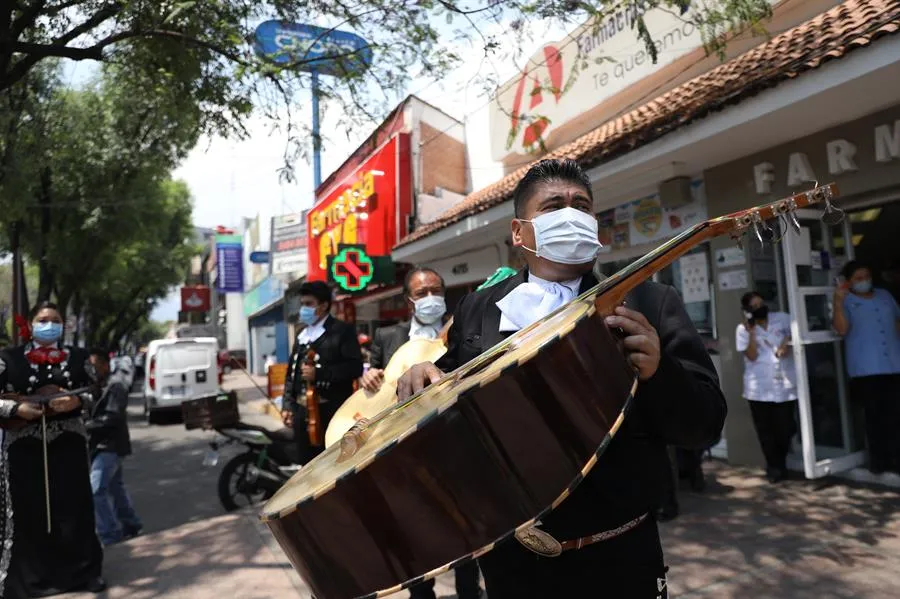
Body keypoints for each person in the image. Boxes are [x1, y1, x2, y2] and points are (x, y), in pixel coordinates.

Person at [397, 159, 726, 599]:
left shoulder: (650, 299)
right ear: (519, 232)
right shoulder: (479, 308)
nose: (570, 216)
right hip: (511, 562)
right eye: (553, 207)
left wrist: (658, 372)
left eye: (581, 206)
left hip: (618, 557)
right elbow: (453, 400)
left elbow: (704, 424)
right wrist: (423, 379)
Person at [361, 267, 482, 599]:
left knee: (464, 525)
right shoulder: (388, 337)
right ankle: (420, 592)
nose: (431, 298)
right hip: (403, 452)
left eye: (436, 289)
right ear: (408, 300)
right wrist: (367, 380)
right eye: (421, 293)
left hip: (451, 442)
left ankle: (469, 591)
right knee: (411, 528)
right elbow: (372, 385)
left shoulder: (461, 328)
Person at [0, 301, 106, 596]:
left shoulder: (79, 357)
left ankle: (86, 572)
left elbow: (96, 392)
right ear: (31, 323)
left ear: (64, 325)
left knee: (75, 508)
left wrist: (75, 402)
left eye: (55, 319)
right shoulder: (7, 358)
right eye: (43, 319)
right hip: (24, 446)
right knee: (28, 511)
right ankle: (28, 579)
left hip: (68, 443)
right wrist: (17, 408)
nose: (49, 323)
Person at [282, 281, 363, 465]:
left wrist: (321, 374)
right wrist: (287, 404)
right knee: (305, 464)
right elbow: (291, 372)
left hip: (330, 412)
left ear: (324, 305)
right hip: (302, 413)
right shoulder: (302, 334)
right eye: (302, 304)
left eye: (309, 304)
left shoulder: (342, 331)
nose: (304, 309)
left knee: (331, 462)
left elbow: (355, 367)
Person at [832, 260, 900, 474]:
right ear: (848, 282)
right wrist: (837, 303)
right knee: (874, 417)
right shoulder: (846, 300)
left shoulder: (884, 296)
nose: (864, 281)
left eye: (866, 276)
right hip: (866, 368)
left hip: (894, 363)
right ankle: (880, 462)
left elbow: (897, 321)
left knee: (895, 414)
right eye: (858, 278)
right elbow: (841, 329)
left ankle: (896, 458)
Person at [736, 291, 798, 483]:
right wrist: (752, 332)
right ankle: (775, 467)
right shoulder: (743, 330)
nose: (760, 308)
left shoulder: (783, 318)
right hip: (758, 388)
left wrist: (786, 343)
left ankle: (780, 461)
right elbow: (752, 356)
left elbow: (796, 331)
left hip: (784, 384)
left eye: (761, 303)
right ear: (747, 311)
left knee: (785, 428)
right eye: (754, 307)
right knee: (766, 431)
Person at [85, 347, 143, 546]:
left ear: (105, 365)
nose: (92, 370)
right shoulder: (97, 386)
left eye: (95, 366)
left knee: (96, 490)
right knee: (115, 487)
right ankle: (131, 523)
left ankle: (110, 533)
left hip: (110, 445)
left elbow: (113, 416)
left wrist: (88, 426)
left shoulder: (115, 386)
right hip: (101, 445)